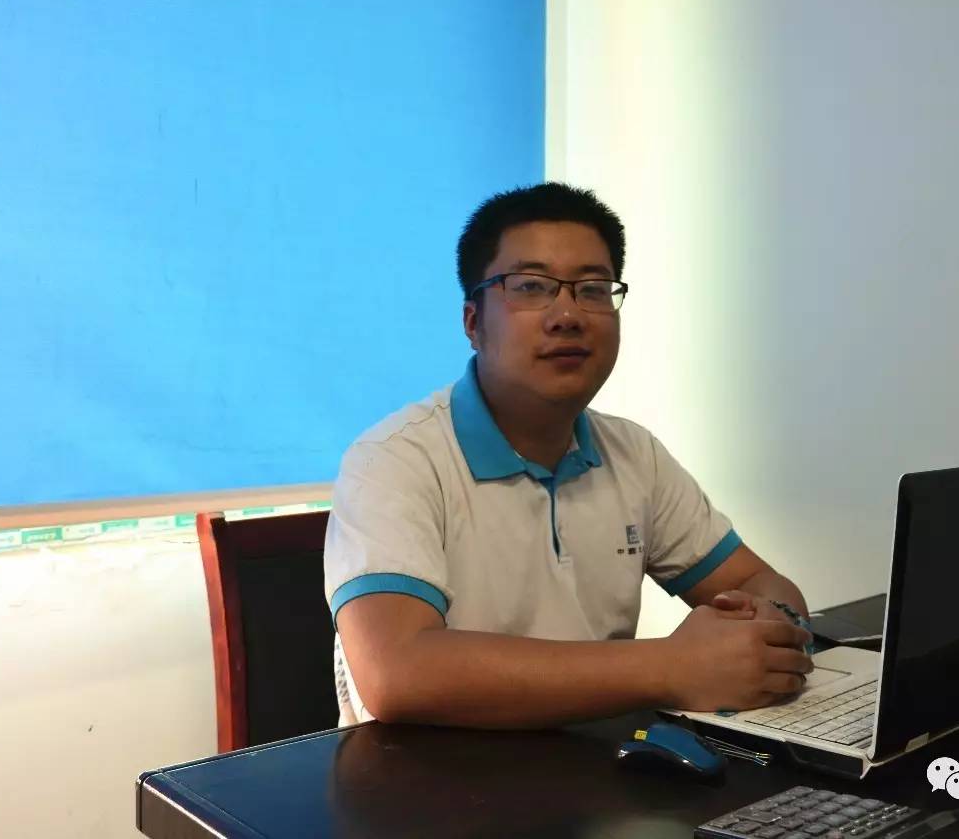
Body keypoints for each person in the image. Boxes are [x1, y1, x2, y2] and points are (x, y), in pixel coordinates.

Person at [323, 182, 812, 728]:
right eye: (531, 286)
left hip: (598, 761)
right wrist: (672, 666)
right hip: (427, 773)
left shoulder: (634, 454)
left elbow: (760, 583)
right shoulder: (392, 461)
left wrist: (768, 626)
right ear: (473, 323)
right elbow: (396, 674)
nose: (567, 315)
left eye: (593, 289)